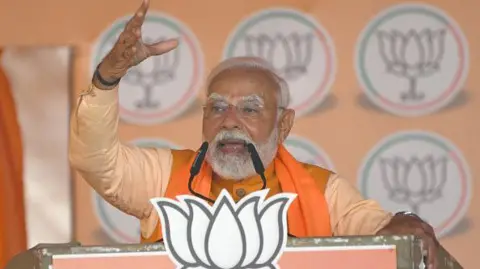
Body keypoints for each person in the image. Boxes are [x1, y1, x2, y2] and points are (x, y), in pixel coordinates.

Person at [68, 0, 439, 268]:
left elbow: (381, 232)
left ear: (284, 125)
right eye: (216, 107)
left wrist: (404, 223)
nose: (229, 121)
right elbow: (95, 159)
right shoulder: (164, 176)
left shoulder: (320, 190)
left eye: (249, 108)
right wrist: (107, 78)